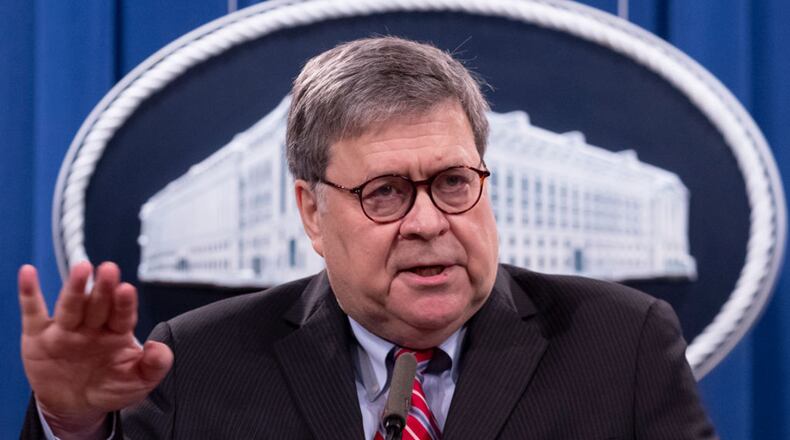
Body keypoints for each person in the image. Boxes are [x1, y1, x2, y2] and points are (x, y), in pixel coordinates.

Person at [19, 36, 716, 439]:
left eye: (451, 181)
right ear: (313, 214)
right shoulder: (197, 362)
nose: (428, 222)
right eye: (385, 193)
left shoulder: (620, 345)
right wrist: (73, 426)